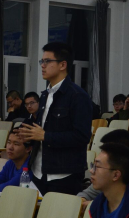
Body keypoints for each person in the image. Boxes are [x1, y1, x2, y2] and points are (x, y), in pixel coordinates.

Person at [18, 42, 92, 196]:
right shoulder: (45, 95)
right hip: (39, 170)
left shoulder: (78, 96)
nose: (42, 65)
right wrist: (30, 136)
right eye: (42, 61)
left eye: (47, 61)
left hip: (63, 174)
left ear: (62, 65)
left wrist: (45, 136)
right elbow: (44, 130)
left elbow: (82, 136)